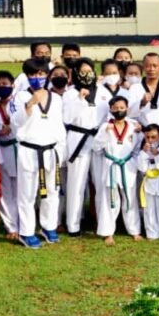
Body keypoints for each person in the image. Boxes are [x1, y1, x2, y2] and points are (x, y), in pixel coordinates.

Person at [10, 58, 66, 249]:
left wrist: (61, 150)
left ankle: (48, 226)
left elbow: (59, 126)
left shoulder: (56, 99)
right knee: (27, 193)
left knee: (52, 190)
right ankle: (26, 231)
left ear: (47, 75)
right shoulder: (19, 97)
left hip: (51, 149)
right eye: (33, 74)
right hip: (29, 149)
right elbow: (15, 122)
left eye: (41, 74)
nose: (37, 77)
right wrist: (29, 105)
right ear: (26, 76)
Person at [62, 58, 105, 236]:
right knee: (76, 184)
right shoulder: (70, 94)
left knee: (101, 183)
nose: (87, 75)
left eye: (90, 71)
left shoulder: (103, 92)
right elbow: (67, 118)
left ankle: (103, 224)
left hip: (99, 139)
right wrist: (80, 100)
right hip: (78, 138)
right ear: (75, 74)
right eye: (83, 72)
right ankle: (73, 226)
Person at [93, 96, 142, 245]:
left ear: (127, 109)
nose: (119, 110)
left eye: (122, 108)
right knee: (110, 200)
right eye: (116, 108)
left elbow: (138, 146)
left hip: (127, 165)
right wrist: (104, 133)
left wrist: (133, 161)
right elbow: (96, 147)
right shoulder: (105, 126)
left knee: (130, 199)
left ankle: (135, 231)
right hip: (111, 165)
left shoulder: (134, 126)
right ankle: (108, 233)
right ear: (111, 109)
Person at [0, 70, 19, 240]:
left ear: (13, 85)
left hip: (19, 149)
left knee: (21, 190)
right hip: (1, 151)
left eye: (5, 84)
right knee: (5, 190)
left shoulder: (19, 103)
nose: (2, 87)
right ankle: (11, 226)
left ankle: (23, 224)